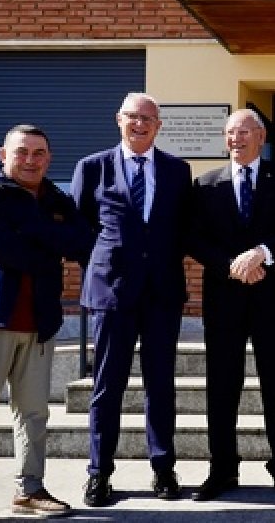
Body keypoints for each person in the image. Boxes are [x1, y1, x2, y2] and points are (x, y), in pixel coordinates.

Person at [0, 124, 91, 523]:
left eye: (39, 153)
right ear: (3, 155)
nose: (30, 160)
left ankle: (29, 490)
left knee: (33, 414)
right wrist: (50, 244)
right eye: (22, 152)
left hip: (38, 321)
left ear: (49, 158)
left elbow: (81, 241)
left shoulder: (56, 198)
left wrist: (27, 229)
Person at [71, 92, 194, 507]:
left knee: (161, 385)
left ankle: (163, 468)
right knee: (107, 385)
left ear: (159, 126)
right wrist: (103, 267)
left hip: (162, 293)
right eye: (133, 117)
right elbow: (79, 229)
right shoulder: (93, 167)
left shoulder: (178, 171)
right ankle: (99, 473)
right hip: (112, 293)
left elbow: (182, 228)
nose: (140, 124)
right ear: (118, 119)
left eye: (149, 119)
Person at [189, 108, 275, 501]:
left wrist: (262, 253)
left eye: (243, 131)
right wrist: (233, 266)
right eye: (229, 132)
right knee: (222, 387)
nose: (235, 139)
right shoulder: (206, 184)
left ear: (260, 136)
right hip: (225, 301)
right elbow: (195, 239)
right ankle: (222, 469)